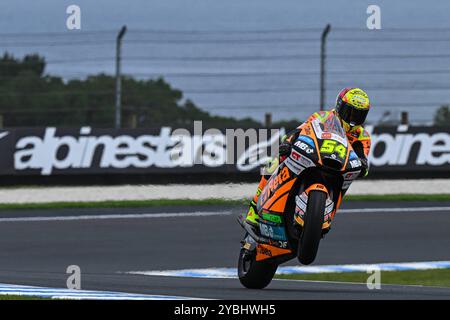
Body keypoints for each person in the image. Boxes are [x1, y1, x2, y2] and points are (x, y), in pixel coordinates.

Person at [245, 87, 372, 227]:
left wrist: (363, 165)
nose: (353, 119)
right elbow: (300, 131)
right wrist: (288, 143)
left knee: (347, 181)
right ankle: (254, 208)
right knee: (273, 162)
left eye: (359, 115)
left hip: (336, 169)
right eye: (350, 112)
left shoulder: (363, 136)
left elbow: (363, 157)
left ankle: (326, 217)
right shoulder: (321, 117)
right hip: (313, 158)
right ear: (339, 106)